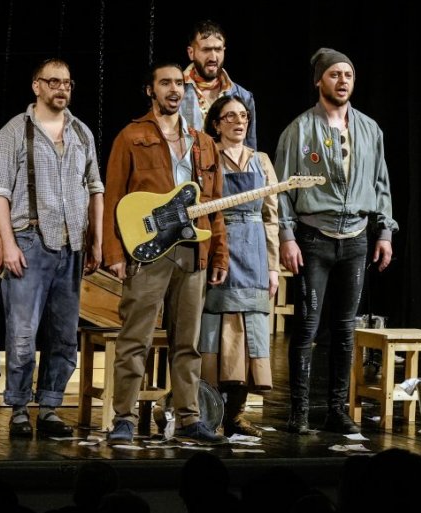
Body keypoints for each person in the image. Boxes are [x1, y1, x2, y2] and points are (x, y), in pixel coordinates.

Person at [103, 62, 228, 446]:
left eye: (179, 84)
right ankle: (123, 419)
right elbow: (113, 197)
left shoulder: (202, 142)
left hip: (192, 251)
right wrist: (114, 252)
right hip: (149, 252)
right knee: (134, 339)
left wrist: (219, 255)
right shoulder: (131, 136)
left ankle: (189, 417)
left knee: (188, 343)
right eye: (165, 83)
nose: (174, 89)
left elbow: (215, 205)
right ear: (150, 90)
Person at [274, 48, 398, 435]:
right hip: (314, 238)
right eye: (334, 74)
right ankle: (298, 411)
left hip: (356, 238)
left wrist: (384, 232)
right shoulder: (299, 130)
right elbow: (281, 190)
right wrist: (287, 236)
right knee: (307, 327)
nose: (342, 81)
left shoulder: (370, 130)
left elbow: (381, 184)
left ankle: (336, 409)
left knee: (345, 330)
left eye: (348, 75)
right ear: (319, 81)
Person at [0, 58, 104, 437]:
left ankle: (50, 407)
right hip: (29, 241)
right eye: (53, 82)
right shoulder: (13, 132)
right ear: (36, 86)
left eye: (67, 83)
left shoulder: (81, 132)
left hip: (72, 245)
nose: (61, 89)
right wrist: (7, 243)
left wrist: (96, 240)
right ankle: (20, 408)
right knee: (22, 336)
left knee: (64, 336)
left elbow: (95, 189)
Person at [198, 96, 279, 437]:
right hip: (221, 246)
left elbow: (271, 216)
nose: (238, 122)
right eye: (230, 116)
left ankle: (236, 414)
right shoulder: (208, 157)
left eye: (243, 116)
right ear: (216, 124)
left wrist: (273, 267)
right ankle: (210, 414)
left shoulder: (261, 160)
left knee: (252, 336)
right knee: (215, 334)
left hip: (255, 253)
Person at [180, 20, 257, 149]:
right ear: (191, 53)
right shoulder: (177, 94)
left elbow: (250, 149)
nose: (213, 57)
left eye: (218, 49)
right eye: (206, 50)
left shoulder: (243, 96)